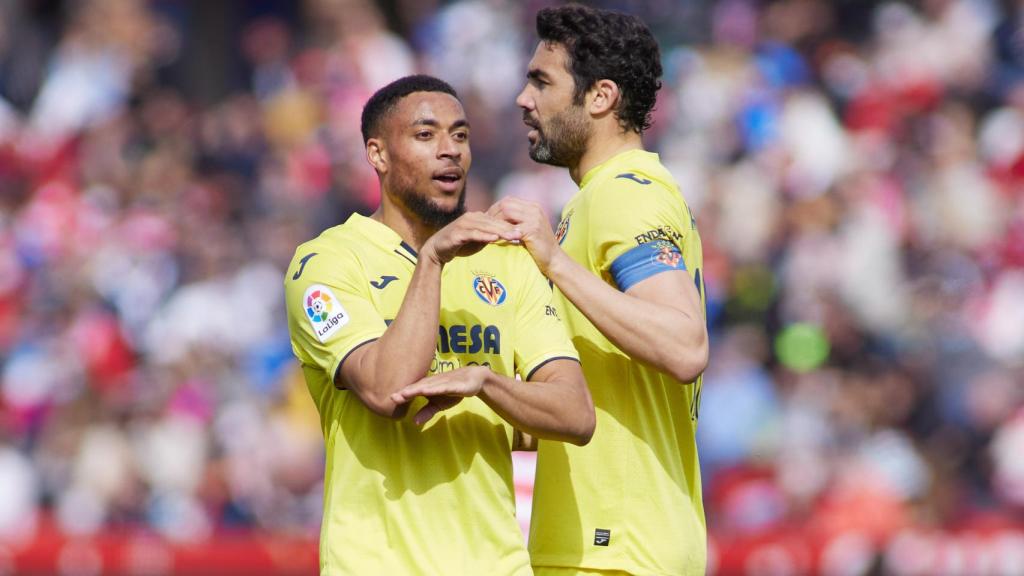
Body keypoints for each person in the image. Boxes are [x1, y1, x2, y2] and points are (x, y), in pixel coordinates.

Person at [284, 75, 595, 576]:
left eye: (461, 135)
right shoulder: (324, 263)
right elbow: (388, 391)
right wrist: (432, 260)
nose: (449, 151)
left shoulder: (508, 264)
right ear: (378, 154)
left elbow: (576, 413)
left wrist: (486, 382)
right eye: (426, 136)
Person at [489, 5, 710, 575]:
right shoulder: (596, 198)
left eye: (542, 81)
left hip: (618, 550)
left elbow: (685, 345)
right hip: (607, 546)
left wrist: (556, 264)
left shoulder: (624, 195)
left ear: (601, 96)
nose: (523, 98)